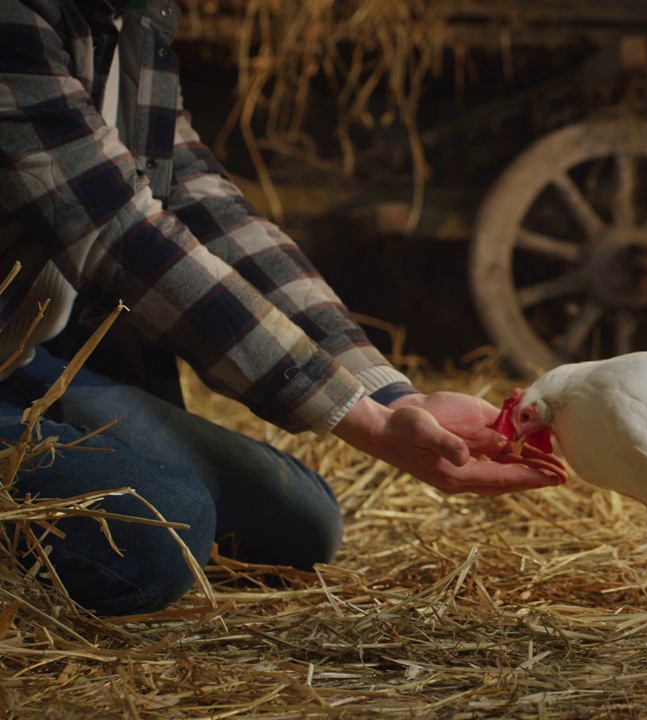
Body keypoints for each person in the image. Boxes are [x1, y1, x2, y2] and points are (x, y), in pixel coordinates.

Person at [0, 0, 566, 616]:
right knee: (157, 538)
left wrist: (386, 396)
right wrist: (360, 420)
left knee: (301, 524)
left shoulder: (138, 18)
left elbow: (207, 208)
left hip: (23, 359)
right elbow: (119, 236)